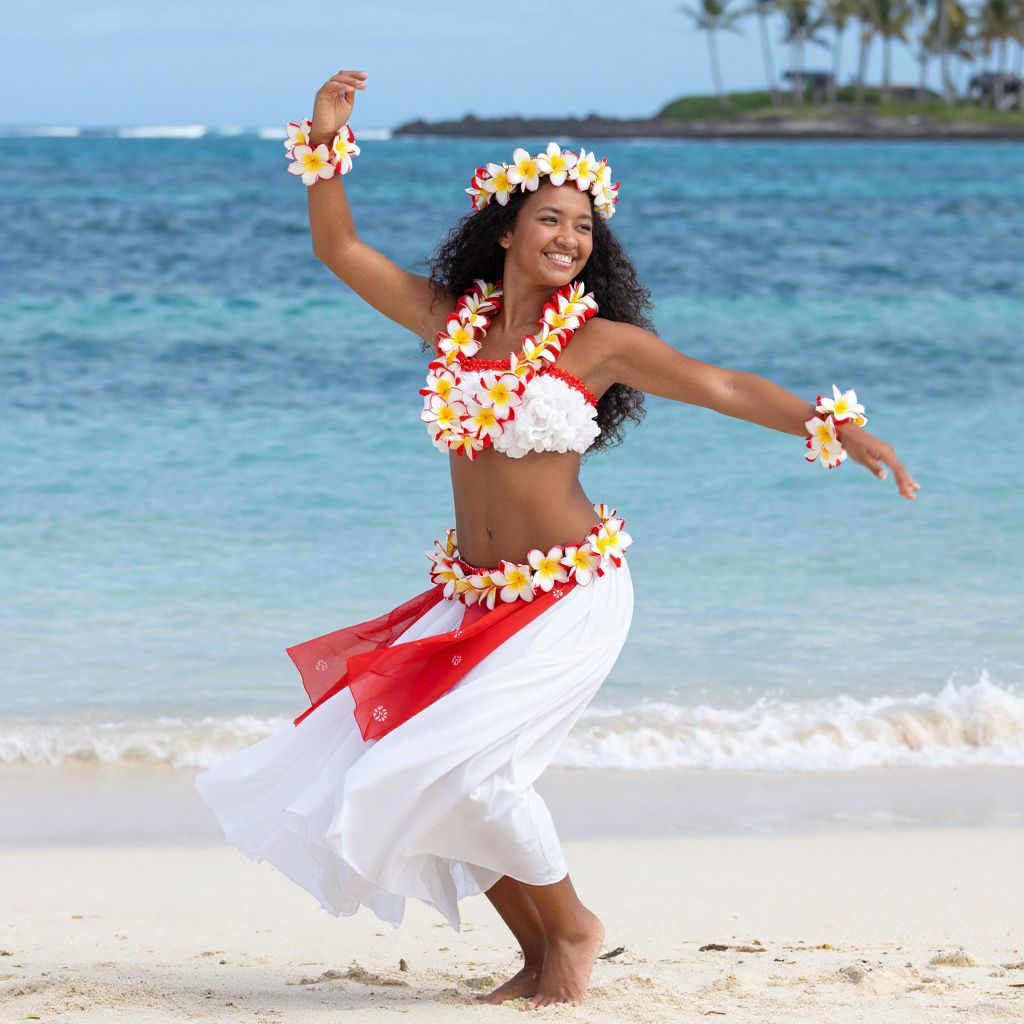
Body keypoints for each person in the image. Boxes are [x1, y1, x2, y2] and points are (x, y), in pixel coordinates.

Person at [195, 67, 921, 1011]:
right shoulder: (454, 326)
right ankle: (539, 952)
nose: (569, 239)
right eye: (550, 220)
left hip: (570, 596)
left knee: (471, 774)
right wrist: (328, 143)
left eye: (584, 227)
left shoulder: (601, 345)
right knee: (408, 771)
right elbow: (339, 248)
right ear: (506, 229)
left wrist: (837, 428)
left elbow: (726, 385)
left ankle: (572, 929)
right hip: (474, 597)